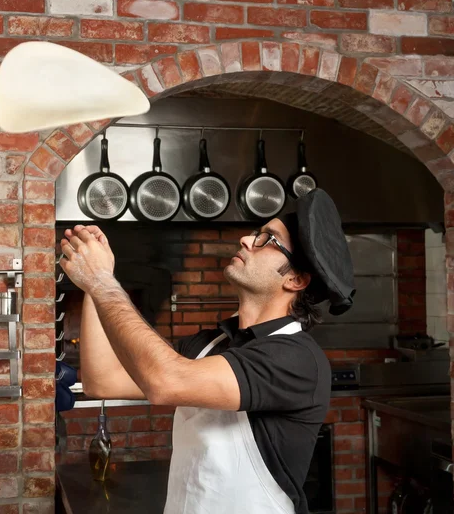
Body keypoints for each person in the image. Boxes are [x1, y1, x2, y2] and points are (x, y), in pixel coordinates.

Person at [59, 188, 355, 514]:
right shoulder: (211, 343)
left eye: (266, 239)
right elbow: (104, 382)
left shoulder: (296, 358)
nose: (245, 239)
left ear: (296, 280)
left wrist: (102, 281)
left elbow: (165, 381)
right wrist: (93, 282)